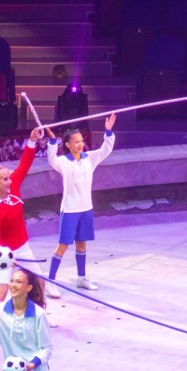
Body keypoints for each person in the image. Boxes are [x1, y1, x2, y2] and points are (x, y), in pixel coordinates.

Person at [0, 127, 46, 353]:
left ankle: (38, 319)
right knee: (1, 294)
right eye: (5, 178)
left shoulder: (13, 185)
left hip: (22, 246)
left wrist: (32, 141)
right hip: (1, 255)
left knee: (40, 282)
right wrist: (8, 258)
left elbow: (24, 164)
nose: (10, 180)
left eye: (9, 177)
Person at [43, 114, 116, 299]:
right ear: (67, 144)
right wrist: (52, 141)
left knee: (82, 244)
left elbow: (106, 149)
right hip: (70, 210)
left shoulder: (89, 158)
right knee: (62, 246)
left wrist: (108, 132)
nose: (80, 144)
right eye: (76, 142)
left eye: (81, 141)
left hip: (86, 208)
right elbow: (51, 159)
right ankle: (50, 282)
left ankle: (81, 278)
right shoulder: (62, 162)